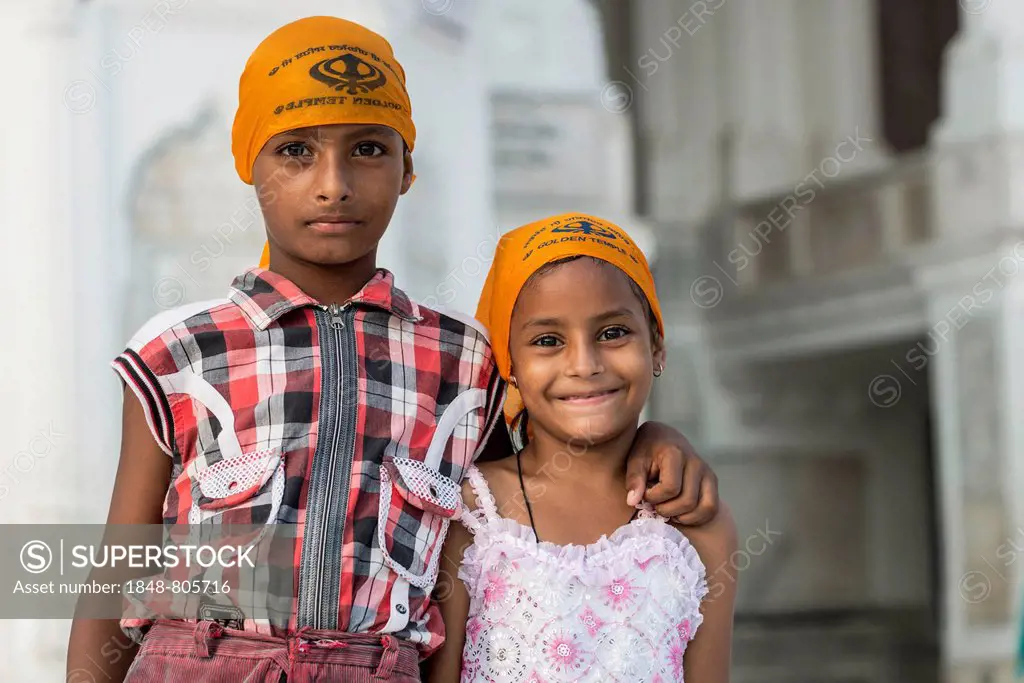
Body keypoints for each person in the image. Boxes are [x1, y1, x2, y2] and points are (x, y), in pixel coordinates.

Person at [66, 17, 721, 683]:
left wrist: (655, 438)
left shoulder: (466, 363)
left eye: (369, 150)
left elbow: (536, 495)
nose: (333, 184)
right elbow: (119, 561)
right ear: (248, 161)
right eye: (295, 151)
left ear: (408, 167)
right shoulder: (180, 351)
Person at [427, 214, 739, 682]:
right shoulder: (471, 513)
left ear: (657, 345)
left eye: (613, 333)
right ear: (509, 363)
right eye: (548, 341)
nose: (585, 364)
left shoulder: (695, 523)